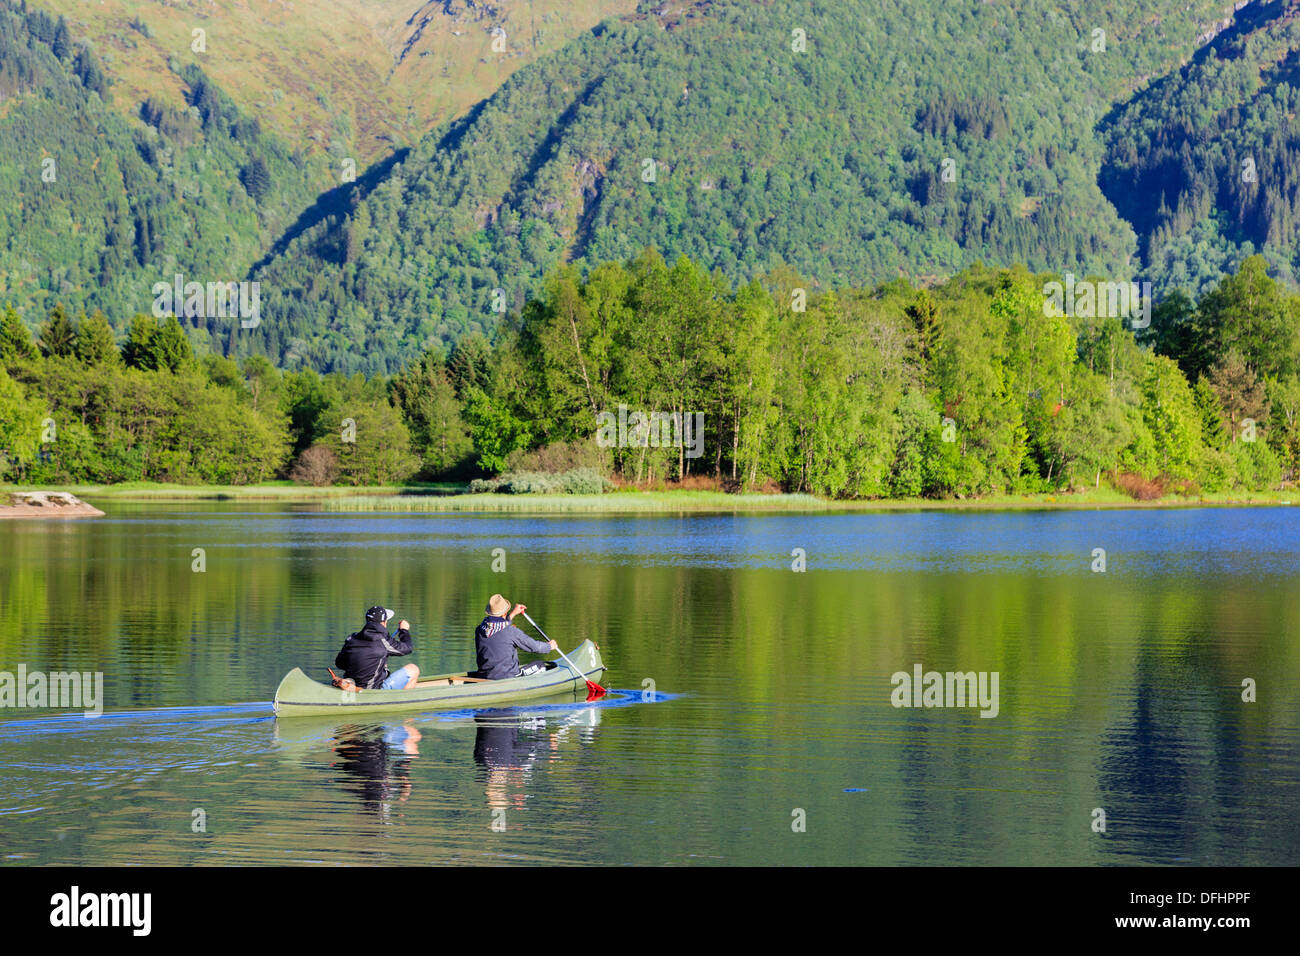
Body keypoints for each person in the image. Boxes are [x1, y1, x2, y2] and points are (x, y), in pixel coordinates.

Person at [333, 606, 419, 690]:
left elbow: (339, 664)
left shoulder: (352, 638)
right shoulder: (384, 641)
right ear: (384, 623)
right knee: (413, 669)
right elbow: (408, 648)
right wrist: (404, 630)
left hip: (351, 685)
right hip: (372, 691)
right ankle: (401, 701)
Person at [474, 594, 557, 680]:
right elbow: (534, 646)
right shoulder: (511, 632)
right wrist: (550, 646)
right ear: (505, 613)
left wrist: (513, 614)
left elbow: (497, 628)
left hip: (483, 676)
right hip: (507, 677)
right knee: (541, 665)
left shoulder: (479, 630)